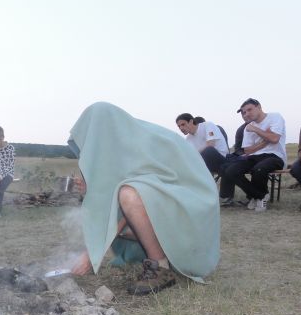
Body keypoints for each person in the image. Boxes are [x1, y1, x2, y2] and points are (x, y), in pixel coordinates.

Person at [69, 102, 219, 295]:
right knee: (126, 196)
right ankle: (161, 252)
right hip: (165, 205)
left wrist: (91, 254)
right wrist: (90, 189)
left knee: (129, 194)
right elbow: (108, 199)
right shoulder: (118, 146)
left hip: (193, 206)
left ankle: (160, 266)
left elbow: (136, 197)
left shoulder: (145, 141)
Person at [219, 98, 286, 212]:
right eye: (244, 112)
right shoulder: (247, 128)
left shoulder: (274, 117)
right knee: (230, 171)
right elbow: (247, 150)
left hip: (275, 155)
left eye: (249, 110)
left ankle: (256, 198)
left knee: (259, 169)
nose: (247, 114)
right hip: (254, 156)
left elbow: (274, 139)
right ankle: (260, 195)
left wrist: (256, 129)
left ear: (259, 107)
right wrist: (266, 139)